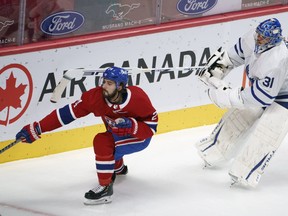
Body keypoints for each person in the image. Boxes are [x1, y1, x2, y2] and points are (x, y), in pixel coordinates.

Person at [15, 66, 158, 204]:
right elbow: (67, 113)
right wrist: (38, 128)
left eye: (109, 83)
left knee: (102, 141)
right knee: (109, 139)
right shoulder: (95, 98)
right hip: (117, 135)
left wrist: (132, 126)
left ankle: (105, 188)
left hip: (139, 137)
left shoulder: (137, 97)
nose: (104, 86)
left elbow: (152, 126)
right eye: (104, 81)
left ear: (120, 86)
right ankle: (118, 167)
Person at [195, 18, 288, 188]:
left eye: (264, 38)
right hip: (263, 88)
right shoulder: (252, 37)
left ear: (274, 40)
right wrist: (215, 69)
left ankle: (245, 173)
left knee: (266, 134)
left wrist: (225, 95)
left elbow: (262, 98)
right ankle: (212, 152)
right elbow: (232, 57)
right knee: (237, 119)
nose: (259, 39)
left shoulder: (278, 59)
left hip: (284, 97)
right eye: (258, 35)